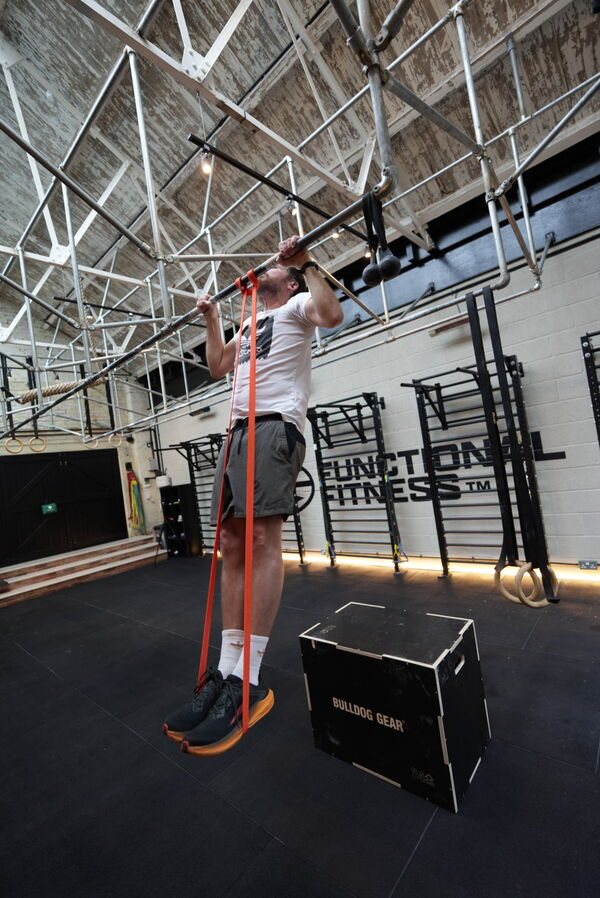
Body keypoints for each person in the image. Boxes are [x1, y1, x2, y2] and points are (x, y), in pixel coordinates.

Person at [163, 235, 343, 755]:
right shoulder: (249, 319)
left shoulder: (298, 303)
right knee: (230, 546)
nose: (259, 266)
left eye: (272, 265)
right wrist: (211, 317)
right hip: (238, 432)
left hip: (273, 426)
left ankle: (251, 680)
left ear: (286, 279)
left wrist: (306, 262)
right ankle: (225, 671)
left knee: (262, 541)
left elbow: (331, 314)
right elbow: (218, 365)